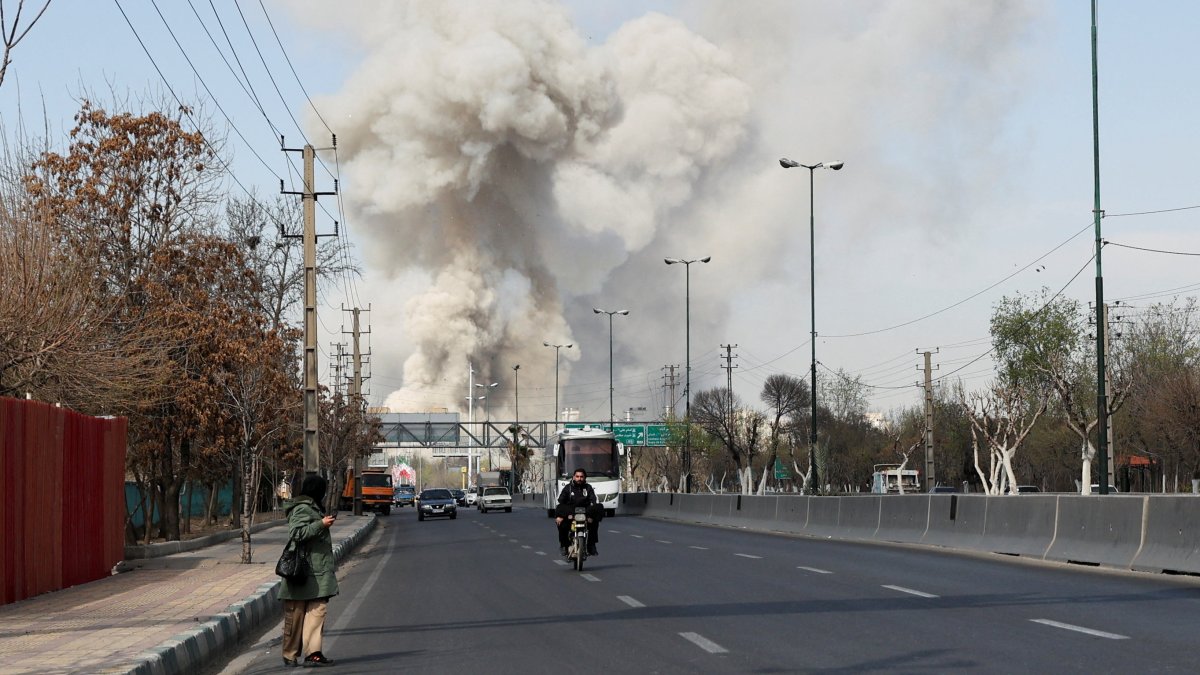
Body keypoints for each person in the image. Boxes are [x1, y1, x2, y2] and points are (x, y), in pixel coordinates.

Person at [279, 474, 338, 667]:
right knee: (296, 615)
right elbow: (296, 534)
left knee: (318, 610)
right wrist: (321, 524)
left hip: (318, 571)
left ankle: (313, 653)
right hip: (301, 570)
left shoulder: (313, 507)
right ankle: (290, 654)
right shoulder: (302, 508)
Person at [555, 469, 604, 556]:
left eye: (581, 477)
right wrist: (560, 516)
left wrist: (592, 516)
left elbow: (593, 500)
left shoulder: (588, 488)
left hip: (585, 512)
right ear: (574, 477)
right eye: (577, 477)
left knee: (598, 509)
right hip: (571, 512)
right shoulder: (568, 488)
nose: (579, 479)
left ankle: (591, 545)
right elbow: (561, 501)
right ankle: (564, 546)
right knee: (561, 520)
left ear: (585, 478)